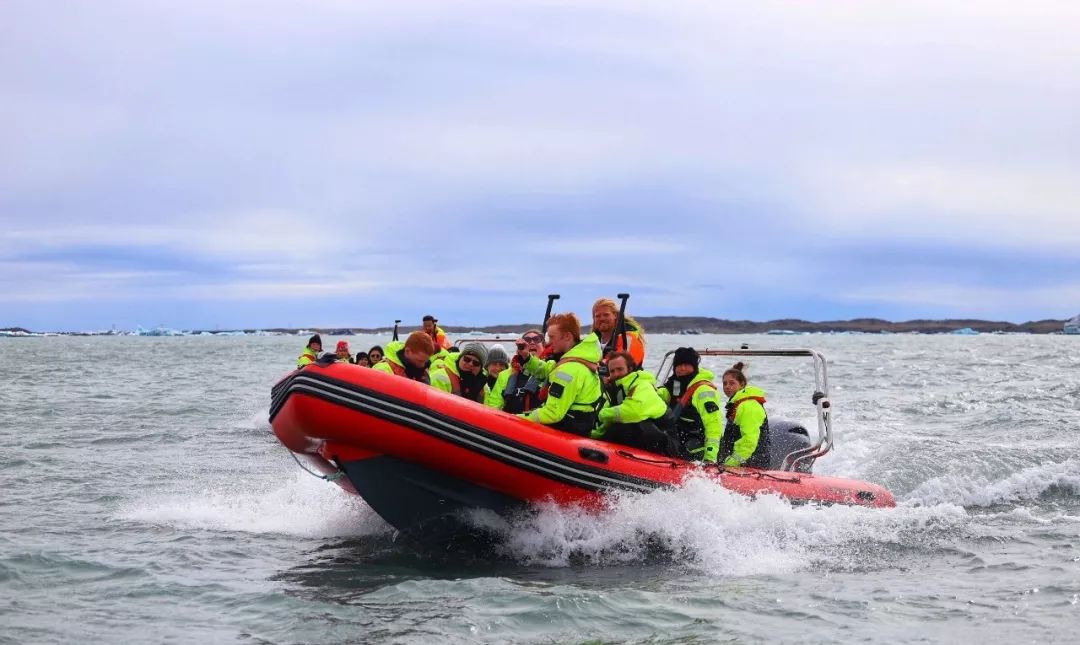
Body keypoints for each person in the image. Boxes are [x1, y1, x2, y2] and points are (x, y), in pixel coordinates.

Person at [517, 313, 604, 436]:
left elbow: (553, 413)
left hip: (567, 431)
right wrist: (526, 357)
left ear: (567, 336)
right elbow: (548, 369)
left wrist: (515, 419)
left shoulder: (568, 370)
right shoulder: (577, 359)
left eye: (552, 337)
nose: (549, 342)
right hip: (580, 427)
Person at [592, 351, 680, 456]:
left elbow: (633, 412)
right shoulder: (618, 389)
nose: (616, 374)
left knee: (626, 427)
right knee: (617, 426)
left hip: (667, 441)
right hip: (649, 435)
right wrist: (594, 435)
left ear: (630, 369)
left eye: (620, 369)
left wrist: (602, 414)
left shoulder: (641, 385)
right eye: (612, 371)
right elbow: (612, 418)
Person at [657, 347, 722, 464]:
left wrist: (710, 456)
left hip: (697, 441)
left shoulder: (703, 390)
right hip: (676, 434)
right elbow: (661, 396)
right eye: (679, 365)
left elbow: (714, 424)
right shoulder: (674, 384)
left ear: (694, 367)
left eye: (686, 365)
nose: (682, 368)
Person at [719, 362, 771, 468]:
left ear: (742, 384)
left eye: (731, 383)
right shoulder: (737, 405)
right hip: (737, 463)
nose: (727, 387)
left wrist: (730, 464)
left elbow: (749, 441)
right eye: (725, 383)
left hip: (753, 465)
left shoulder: (748, 406)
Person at [501, 329, 546, 413]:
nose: (532, 342)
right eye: (527, 340)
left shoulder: (550, 370)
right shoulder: (505, 374)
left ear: (544, 346)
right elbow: (495, 404)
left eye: (536, 339)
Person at [592, 298, 646, 366]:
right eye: (597, 316)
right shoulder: (591, 341)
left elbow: (622, 366)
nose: (602, 318)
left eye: (606, 315)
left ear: (615, 315)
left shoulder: (628, 339)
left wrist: (590, 364)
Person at [483, 344, 512, 409]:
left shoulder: (511, 383)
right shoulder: (480, 382)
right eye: (494, 364)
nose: (498, 368)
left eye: (501, 364)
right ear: (487, 366)